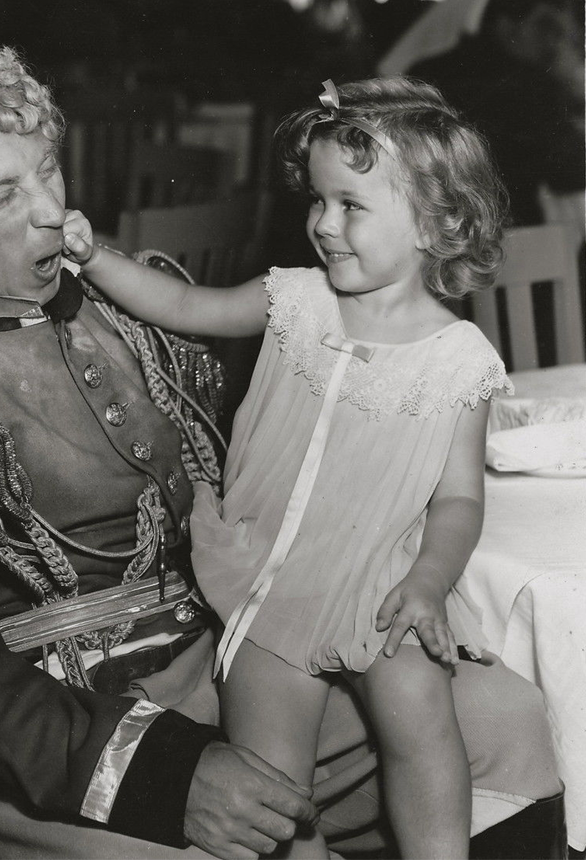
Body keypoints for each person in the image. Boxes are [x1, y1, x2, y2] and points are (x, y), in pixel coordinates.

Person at [0, 39, 564, 859]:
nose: (47, 209)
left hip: (224, 649)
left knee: (510, 719)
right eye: (4, 193)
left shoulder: (118, 293)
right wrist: (167, 773)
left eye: (47, 169)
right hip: (66, 736)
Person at [67, 76, 565, 859]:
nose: (323, 224)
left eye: (351, 206)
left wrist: (429, 581)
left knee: (424, 720)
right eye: (318, 201)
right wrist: (95, 257)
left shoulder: (461, 360)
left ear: (438, 222)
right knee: (274, 784)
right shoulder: (293, 302)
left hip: (381, 588)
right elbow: (184, 307)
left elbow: (460, 500)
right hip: (275, 585)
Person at [386, 0, 584, 226]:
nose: (554, 42)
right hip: (509, 235)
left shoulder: (428, 68)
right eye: (544, 26)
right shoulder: (530, 85)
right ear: (506, 27)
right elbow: (569, 174)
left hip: (437, 227)